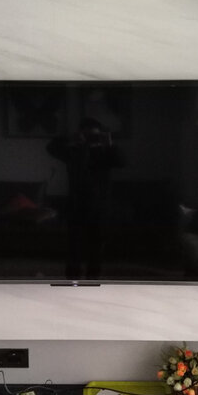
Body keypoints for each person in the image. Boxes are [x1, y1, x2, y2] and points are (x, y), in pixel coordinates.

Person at [47, 118, 124, 279]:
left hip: (99, 205)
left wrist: (109, 144)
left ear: (100, 135)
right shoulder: (73, 151)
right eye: (87, 135)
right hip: (76, 204)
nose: (90, 139)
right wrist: (72, 139)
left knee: (97, 244)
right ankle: (72, 278)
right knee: (73, 245)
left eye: (94, 136)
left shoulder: (105, 152)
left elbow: (121, 162)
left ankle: (93, 278)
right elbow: (51, 148)